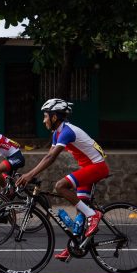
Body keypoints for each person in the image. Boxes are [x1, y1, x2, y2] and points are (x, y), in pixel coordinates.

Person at [16, 98, 108, 262]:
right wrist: (33, 173)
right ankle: (75, 245)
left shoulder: (67, 131)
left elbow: (52, 157)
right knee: (81, 208)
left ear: (54, 117)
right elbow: (47, 157)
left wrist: (29, 174)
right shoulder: (57, 133)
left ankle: (94, 216)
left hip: (96, 167)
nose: (44, 120)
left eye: (45, 116)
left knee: (60, 186)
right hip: (88, 167)